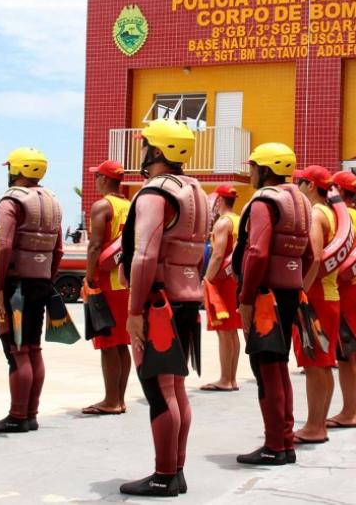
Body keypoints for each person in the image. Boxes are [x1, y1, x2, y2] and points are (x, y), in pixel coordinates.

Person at [118, 119, 208, 497]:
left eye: (146, 146)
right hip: (187, 299)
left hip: (158, 304)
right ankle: (176, 469)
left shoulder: (155, 193)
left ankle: (164, 475)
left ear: (157, 151)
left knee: (159, 392)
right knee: (177, 389)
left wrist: (134, 311)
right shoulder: (196, 191)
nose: (142, 152)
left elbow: (144, 256)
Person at [233, 142, 313, 466]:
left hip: (265, 295)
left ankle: (274, 446)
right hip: (289, 293)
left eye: (253, 167)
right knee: (279, 366)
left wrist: (246, 297)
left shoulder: (264, 202)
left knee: (266, 369)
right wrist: (294, 282)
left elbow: (257, 252)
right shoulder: (301, 202)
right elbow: (310, 255)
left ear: (265, 170)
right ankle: (285, 442)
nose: (250, 172)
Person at [0, 147, 64, 434]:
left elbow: (3, 245)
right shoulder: (52, 202)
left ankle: (17, 416)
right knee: (33, 347)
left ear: (16, 170)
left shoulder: (12, 201)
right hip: (40, 283)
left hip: (15, 287)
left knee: (17, 350)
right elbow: (58, 249)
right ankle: (30, 414)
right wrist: (47, 277)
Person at [295, 165, 341, 444]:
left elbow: (314, 257)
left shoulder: (315, 214)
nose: (296, 185)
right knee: (323, 365)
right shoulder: (331, 213)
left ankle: (314, 427)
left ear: (311, 185)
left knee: (314, 365)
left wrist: (300, 291)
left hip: (317, 298)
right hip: (329, 295)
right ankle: (319, 423)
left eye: (299, 181)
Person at [82, 160, 131, 415]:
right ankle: (119, 399)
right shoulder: (131, 206)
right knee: (122, 343)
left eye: (96, 176)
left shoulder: (102, 206)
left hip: (106, 284)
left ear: (104, 179)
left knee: (108, 343)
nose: (95, 181)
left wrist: (89, 277)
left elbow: (94, 246)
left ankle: (111, 401)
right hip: (125, 282)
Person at [327, 171, 356, 428]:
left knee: (346, 355)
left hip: (347, 289)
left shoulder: (342, 217)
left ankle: (348, 412)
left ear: (340, 191)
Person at [201, 184, 242, 392]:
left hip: (223, 283)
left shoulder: (223, 223)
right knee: (232, 331)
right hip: (235, 280)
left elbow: (218, 255)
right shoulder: (239, 220)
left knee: (224, 332)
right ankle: (231, 378)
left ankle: (226, 379)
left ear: (219, 201)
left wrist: (206, 280)